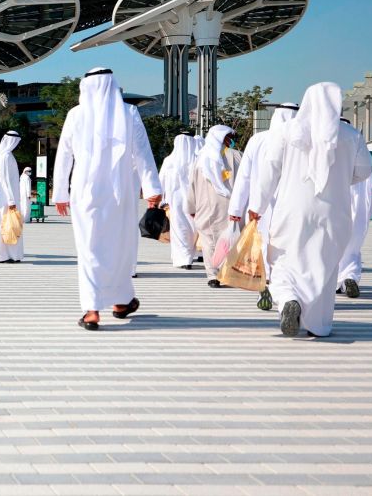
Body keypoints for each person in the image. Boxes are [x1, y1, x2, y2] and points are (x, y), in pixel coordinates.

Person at [254, 82, 372, 337]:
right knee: (324, 265)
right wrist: (339, 180)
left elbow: (269, 172)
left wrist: (257, 207)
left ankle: (288, 300)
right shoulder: (351, 135)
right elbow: (363, 171)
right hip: (334, 212)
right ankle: (317, 326)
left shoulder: (287, 131)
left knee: (283, 260)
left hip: (292, 210)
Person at [53, 68, 163, 331]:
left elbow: (64, 156)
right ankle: (117, 302)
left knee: (90, 247)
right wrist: (152, 190)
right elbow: (143, 154)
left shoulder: (75, 115)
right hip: (120, 192)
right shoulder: (129, 113)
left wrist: (60, 192)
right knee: (119, 247)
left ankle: (100, 308)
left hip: (85, 191)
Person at [227, 102, 298, 307]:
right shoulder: (303, 141)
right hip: (292, 205)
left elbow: (245, 177)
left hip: (260, 207)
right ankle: (287, 290)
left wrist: (236, 209)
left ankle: (265, 286)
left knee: (266, 246)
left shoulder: (258, 139)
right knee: (289, 249)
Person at [186, 124, 242, 288]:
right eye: (229, 137)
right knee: (230, 240)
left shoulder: (200, 159)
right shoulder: (238, 156)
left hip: (205, 207)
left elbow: (192, 185)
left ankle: (213, 275)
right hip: (232, 206)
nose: (231, 140)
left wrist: (191, 207)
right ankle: (228, 272)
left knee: (209, 240)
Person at [338, 144, 372, 298]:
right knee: (353, 245)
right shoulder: (357, 142)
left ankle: (335, 282)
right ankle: (350, 277)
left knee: (331, 245)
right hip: (358, 198)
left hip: (335, 200)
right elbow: (367, 174)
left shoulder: (326, 140)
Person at [159, 132, 198, 269]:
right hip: (193, 201)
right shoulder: (197, 161)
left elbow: (161, 182)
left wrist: (161, 200)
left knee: (179, 229)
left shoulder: (169, 161)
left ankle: (183, 258)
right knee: (192, 229)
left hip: (175, 201)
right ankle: (187, 257)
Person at [0, 130, 24, 263]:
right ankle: (2, 256)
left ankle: (12, 255)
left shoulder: (7, 155)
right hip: (6, 199)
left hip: (9, 198)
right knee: (5, 226)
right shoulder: (4, 156)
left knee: (12, 226)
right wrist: (11, 200)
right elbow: (4, 179)